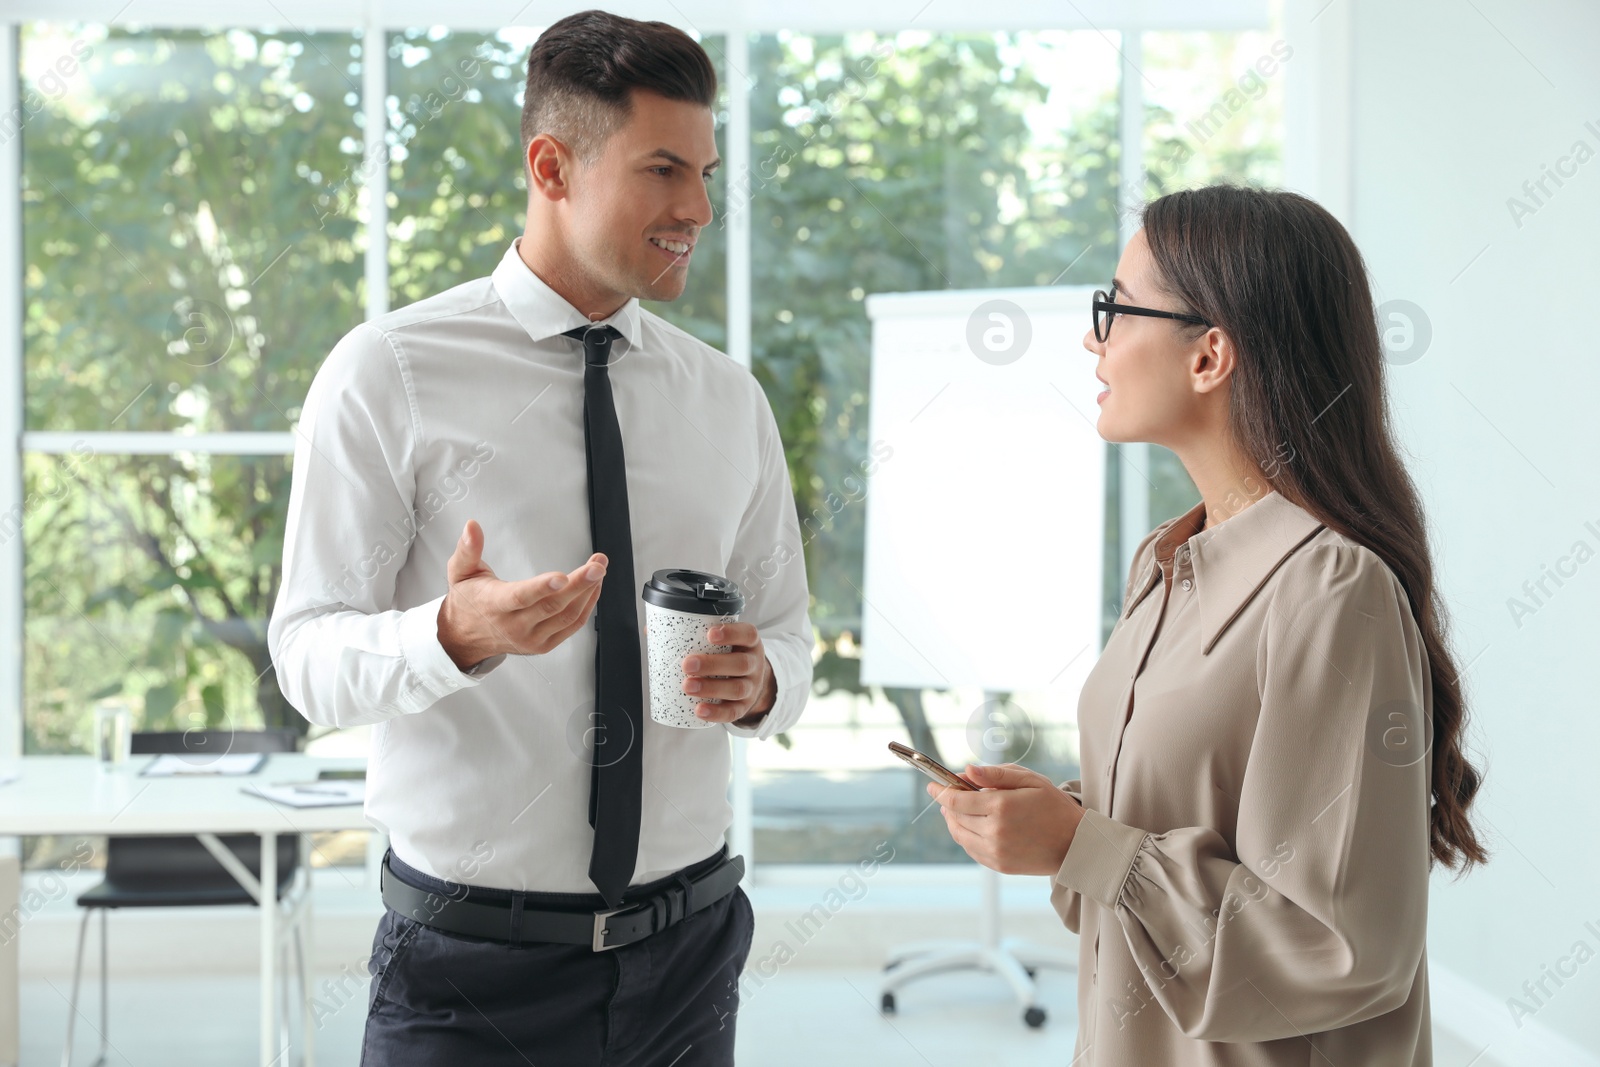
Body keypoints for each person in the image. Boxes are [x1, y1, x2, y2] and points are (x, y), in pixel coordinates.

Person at [267, 11, 813, 1065]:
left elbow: (787, 636)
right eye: (663, 170)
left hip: (688, 957)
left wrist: (760, 682)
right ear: (551, 166)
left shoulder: (727, 400)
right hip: (471, 975)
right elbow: (305, 658)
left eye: (704, 170)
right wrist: (449, 633)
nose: (699, 207)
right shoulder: (389, 371)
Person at [927, 185, 1487, 1065]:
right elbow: (1173, 830)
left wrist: (1088, 845)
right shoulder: (1163, 564)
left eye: (1113, 308)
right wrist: (1058, 828)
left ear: (1211, 354)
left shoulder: (1331, 590)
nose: (1091, 337)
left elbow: (1339, 950)